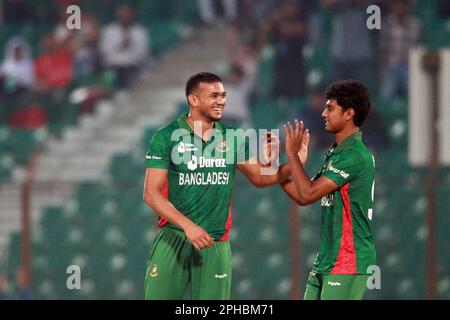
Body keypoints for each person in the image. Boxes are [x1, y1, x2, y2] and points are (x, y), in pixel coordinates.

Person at [142, 72, 307, 299]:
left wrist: (294, 163)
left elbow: (261, 178)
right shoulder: (167, 136)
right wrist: (188, 226)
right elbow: (151, 194)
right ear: (194, 100)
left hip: (215, 243)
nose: (221, 101)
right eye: (213, 96)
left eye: (223, 95)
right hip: (173, 239)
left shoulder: (233, 137)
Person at [280, 79, 376, 300]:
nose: (323, 113)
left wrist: (292, 156)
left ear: (349, 114)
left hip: (349, 259)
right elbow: (303, 197)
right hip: (327, 259)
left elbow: (308, 192)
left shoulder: (354, 156)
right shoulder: (336, 153)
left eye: (330, 108)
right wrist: (275, 171)